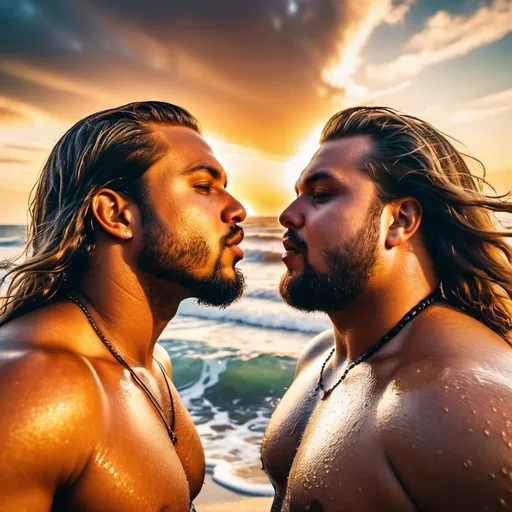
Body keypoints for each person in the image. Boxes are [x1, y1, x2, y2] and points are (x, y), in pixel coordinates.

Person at [261, 106, 512, 512]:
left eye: (322, 196)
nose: (288, 216)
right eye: (298, 196)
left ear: (400, 221)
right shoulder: (320, 356)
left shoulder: (459, 398)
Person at [0, 101, 246, 511]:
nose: (237, 209)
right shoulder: (41, 383)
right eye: (204, 187)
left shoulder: (154, 365)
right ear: (117, 214)